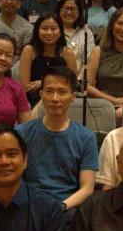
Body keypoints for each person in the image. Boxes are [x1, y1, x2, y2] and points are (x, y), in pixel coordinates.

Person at [15, 67, 99, 210]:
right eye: (49, 91)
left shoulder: (86, 137)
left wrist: (61, 206)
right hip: (28, 207)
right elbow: (15, 179)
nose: (55, 98)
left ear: (73, 97)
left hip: (68, 208)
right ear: (41, 94)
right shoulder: (22, 132)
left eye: (62, 92)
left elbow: (87, 188)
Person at [18, 13, 78, 105]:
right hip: (32, 101)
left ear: (60, 31)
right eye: (44, 29)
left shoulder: (67, 53)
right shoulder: (29, 50)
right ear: (37, 30)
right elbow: (25, 86)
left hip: (60, 101)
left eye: (53, 29)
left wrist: (41, 83)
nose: (49, 33)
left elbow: (72, 84)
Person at [58, 0, 97, 79]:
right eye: (66, 8)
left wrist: (77, 81)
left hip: (80, 81)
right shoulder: (53, 30)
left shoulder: (86, 32)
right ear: (59, 10)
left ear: (79, 12)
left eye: (73, 9)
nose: (69, 12)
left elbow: (88, 61)